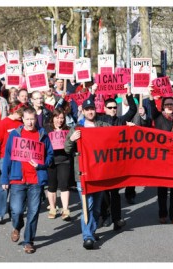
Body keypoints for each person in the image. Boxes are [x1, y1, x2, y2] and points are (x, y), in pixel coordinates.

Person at [0, 106, 54, 254]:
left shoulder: (42, 133)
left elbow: (50, 155)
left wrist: (41, 165)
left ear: (36, 119)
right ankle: (17, 226)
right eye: (27, 119)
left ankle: (28, 241)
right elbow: (8, 157)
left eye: (32, 119)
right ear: (22, 119)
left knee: (34, 211)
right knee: (16, 211)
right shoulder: (15, 135)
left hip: (36, 180)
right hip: (18, 179)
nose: (30, 122)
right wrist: (4, 179)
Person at [64, 98, 110, 250]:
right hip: (83, 173)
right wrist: (72, 139)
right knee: (87, 205)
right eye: (87, 109)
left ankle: (91, 229)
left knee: (96, 207)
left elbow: (116, 134)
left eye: (92, 109)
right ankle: (87, 237)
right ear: (82, 111)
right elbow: (67, 149)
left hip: (99, 173)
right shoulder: (77, 128)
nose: (90, 111)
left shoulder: (103, 125)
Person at [91, 83, 137, 230]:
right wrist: (93, 92)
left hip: (116, 161)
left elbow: (133, 109)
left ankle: (117, 219)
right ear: (104, 109)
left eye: (114, 107)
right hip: (102, 161)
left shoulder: (121, 121)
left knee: (115, 192)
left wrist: (128, 93)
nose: (112, 109)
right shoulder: (99, 120)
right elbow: (88, 109)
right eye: (109, 107)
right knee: (104, 192)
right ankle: (105, 216)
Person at [148, 88, 173, 225]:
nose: (169, 106)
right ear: (163, 106)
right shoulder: (158, 117)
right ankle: (163, 214)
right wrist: (151, 94)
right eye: (167, 104)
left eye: (171, 104)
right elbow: (152, 106)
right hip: (161, 159)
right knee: (162, 190)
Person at [0, 101, 24, 224]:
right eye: (20, 114)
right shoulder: (3, 123)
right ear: (14, 111)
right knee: (4, 186)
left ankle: (14, 210)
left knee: (17, 186)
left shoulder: (21, 123)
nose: (22, 117)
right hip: (5, 158)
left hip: (19, 158)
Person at [45, 107, 73, 221]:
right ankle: (52, 208)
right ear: (53, 118)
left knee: (64, 184)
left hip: (64, 160)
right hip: (51, 161)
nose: (59, 120)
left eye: (62, 118)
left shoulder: (68, 129)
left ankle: (65, 209)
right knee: (51, 186)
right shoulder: (47, 129)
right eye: (57, 117)